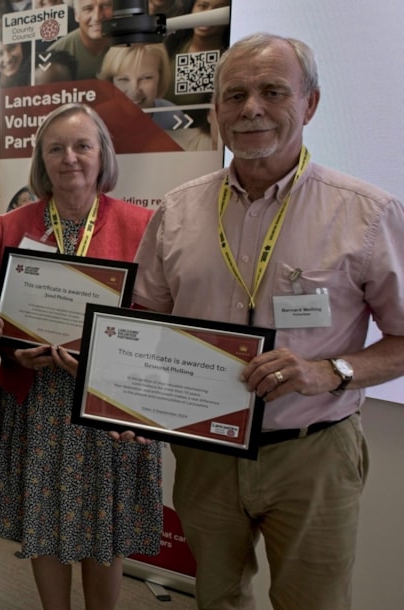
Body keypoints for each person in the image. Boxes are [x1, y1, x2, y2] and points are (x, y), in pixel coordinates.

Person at [131, 33, 404, 609]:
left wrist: (332, 371)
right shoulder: (177, 211)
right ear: (216, 111)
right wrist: (126, 394)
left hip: (313, 454)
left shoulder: (366, 213)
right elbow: (144, 317)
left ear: (310, 104)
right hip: (204, 452)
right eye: (235, 95)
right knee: (217, 598)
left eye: (273, 91)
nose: (251, 107)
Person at [0, 103, 162, 610]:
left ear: (102, 154)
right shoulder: (11, 226)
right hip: (35, 399)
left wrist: (104, 361)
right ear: (41, 159)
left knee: (103, 522)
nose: (70, 158)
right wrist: (16, 354)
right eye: (55, 148)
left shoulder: (141, 225)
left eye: (82, 145)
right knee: (44, 518)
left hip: (106, 401)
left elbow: (153, 319)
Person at [98, 45, 190, 130]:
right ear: (110, 81)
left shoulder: (173, 117)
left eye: (146, 78)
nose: (134, 90)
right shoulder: (97, 120)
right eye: (123, 79)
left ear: (160, 77)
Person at [162, 0, 230, 107]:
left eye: (219, 9)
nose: (207, 15)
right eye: (203, 6)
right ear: (192, 8)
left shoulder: (225, 61)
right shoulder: (172, 44)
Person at [47, 0, 115, 81]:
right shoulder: (54, 56)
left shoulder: (129, 44)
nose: (97, 17)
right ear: (76, 14)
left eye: (105, 6)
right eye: (88, 9)